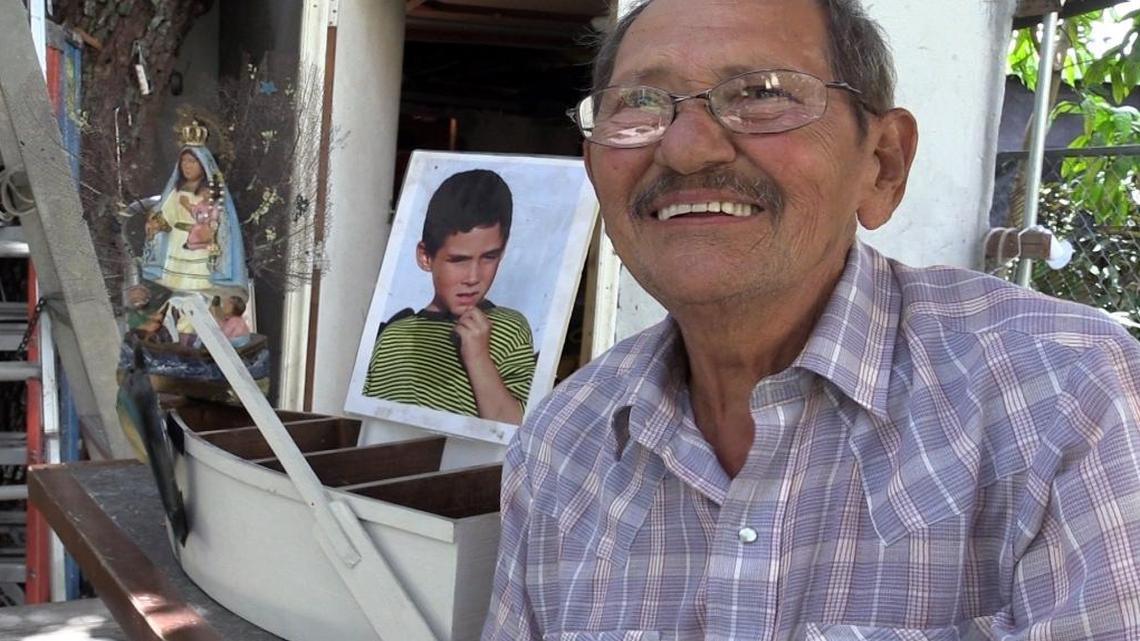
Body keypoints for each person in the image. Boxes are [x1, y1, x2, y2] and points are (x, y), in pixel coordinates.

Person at [483, 1, 1140, 639]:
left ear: (882, 165)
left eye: (760, 92)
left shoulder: (1065, 397)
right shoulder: (562, 446)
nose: (686, 149)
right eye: (640, 104)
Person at [363, 169, 536, 425]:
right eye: (458, 260)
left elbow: (517, 431)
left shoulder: (508, 328)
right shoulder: (392, 336)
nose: (473, 277)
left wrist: (478, 356)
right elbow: (369, 423)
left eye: (489, 257)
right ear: (425, 256)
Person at [141, 128, 248, 295]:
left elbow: (218, 221)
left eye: (192, 162)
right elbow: (167, 216)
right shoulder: (176, 191)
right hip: (176, 247)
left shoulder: (210, 194)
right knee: (179, 291)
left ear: (203, 164)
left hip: (200, 248)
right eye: (184, 161)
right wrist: (157, 224)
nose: (187, 166)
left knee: (199, 290)